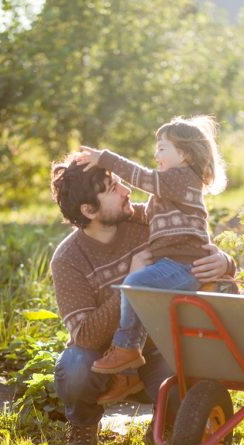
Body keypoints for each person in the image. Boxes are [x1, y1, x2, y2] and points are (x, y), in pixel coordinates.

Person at [50, 155, 235, 445]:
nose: (127, 191)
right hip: (105, 355)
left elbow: (197, 255)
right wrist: (130, 280)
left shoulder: (149, 218)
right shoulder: (68, 259)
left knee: (187, 389)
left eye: (121, 182)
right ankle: (83, 426)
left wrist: (224, 262)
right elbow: (84, 335)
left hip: (160, 345)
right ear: (89, 210)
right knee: (74, 368)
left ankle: (165, 423)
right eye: (112, 188)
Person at [75, 115, 227, 403]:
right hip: (172, 264)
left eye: (162, 148)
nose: (156, 155)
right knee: (143, 300)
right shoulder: (168, 193)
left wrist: (105, 159)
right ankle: (128, 374)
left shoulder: (182, 178)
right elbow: (147, 211)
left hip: (185, 264)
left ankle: (126, 348)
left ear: (182, 154)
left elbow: (144, 178)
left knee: (136, 284)